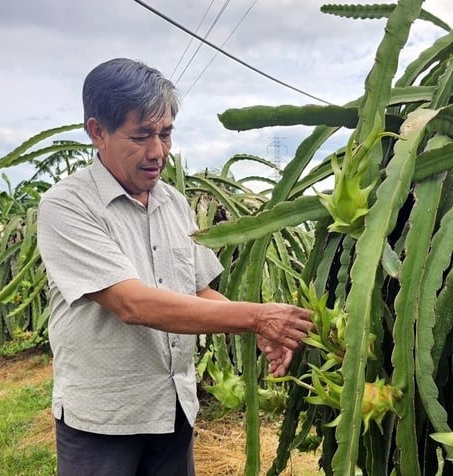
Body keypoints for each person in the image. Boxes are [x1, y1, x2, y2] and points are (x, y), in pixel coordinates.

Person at [36, 57, 313, 476]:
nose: (158, 152)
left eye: (165, 134)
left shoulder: (174, 202)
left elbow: (198, 290)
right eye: (141, 136)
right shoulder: (67, 206)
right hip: (105, 418)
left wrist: (259, 330)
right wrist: (257, 318)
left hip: (173, 408)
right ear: (97, 132)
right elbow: (132, 304)